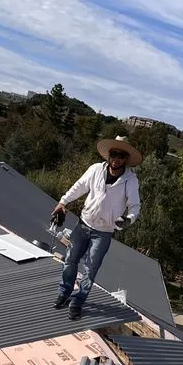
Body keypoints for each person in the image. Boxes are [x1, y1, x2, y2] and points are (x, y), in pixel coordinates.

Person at [52, 135, 142, 320]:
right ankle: (64, 292)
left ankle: (77, 302)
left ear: (126, 159)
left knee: (91, 268)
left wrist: (129, 219)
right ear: (109, 155)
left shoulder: (130, 180)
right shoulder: (95, 170)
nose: (116, 159)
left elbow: (135, 206)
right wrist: (63, 202)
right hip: (83, 224)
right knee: (70, 260)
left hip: (104, 232)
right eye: (114, 154)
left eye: (121, 155)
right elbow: (79, 187)